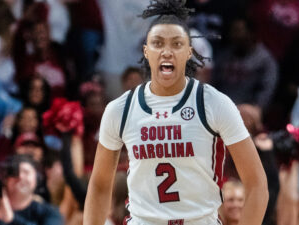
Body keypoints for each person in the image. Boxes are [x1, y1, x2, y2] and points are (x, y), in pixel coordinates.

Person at [83, 1, 268, 225]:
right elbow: (100, 185)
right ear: (146, 51)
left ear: (189, 52)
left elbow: (257, 184)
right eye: (158, 43)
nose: (166, 52)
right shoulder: (119, 109)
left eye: (177, 44)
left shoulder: (214, 103)